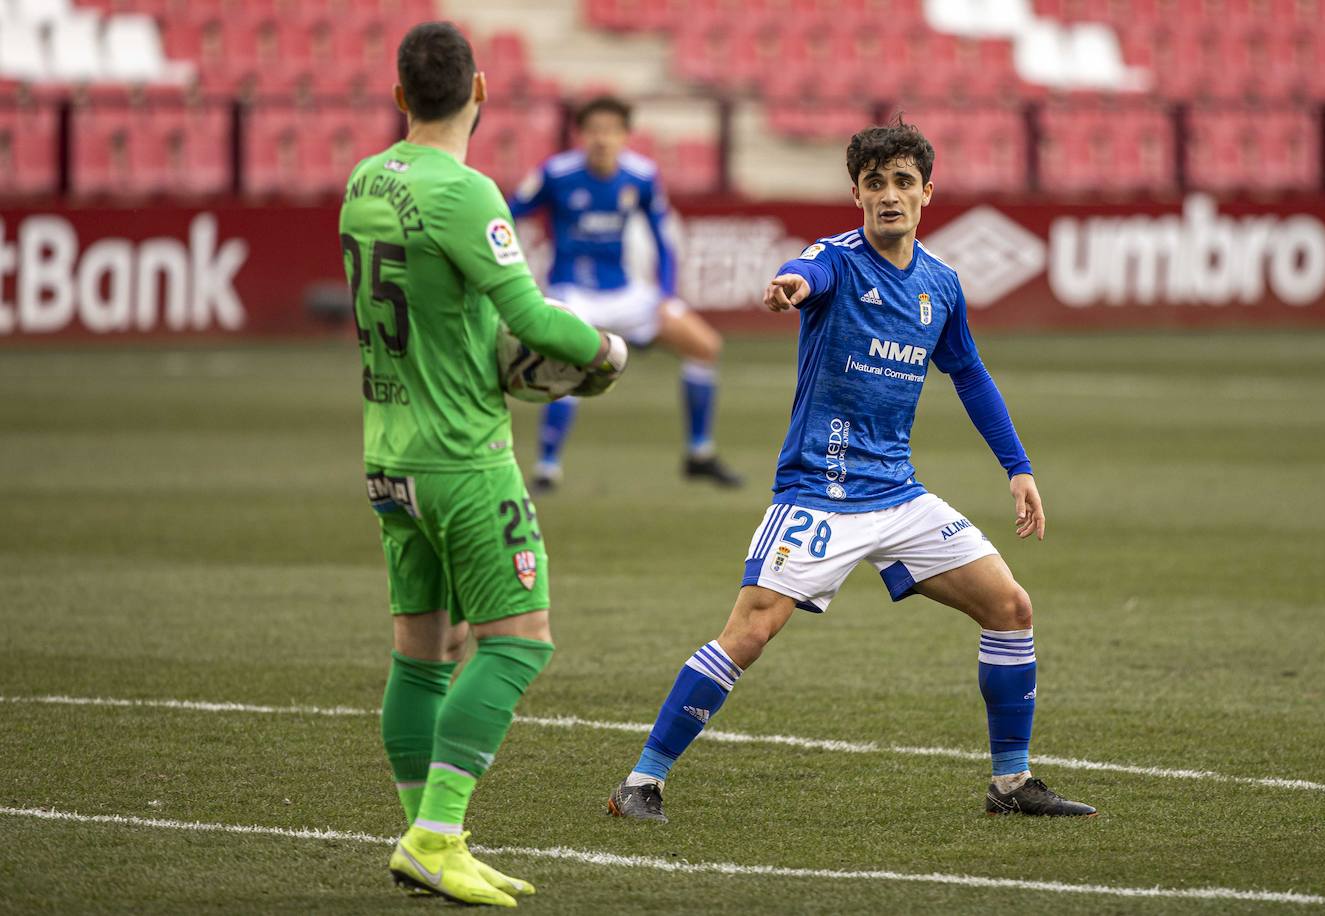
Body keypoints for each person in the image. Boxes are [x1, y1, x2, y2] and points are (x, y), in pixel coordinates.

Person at [607, 119, 1095, 824]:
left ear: (927, 191)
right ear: (857, 194)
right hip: (821, 491)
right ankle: (642, 782)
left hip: (897, 493)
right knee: (749, 631)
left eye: (902, 182)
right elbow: (809, 273)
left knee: (1011, 608)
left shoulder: (941, 285)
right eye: (875, 183)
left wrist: (1018, 468)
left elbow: (970, 374)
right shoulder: (834, 258)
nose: (889, 196)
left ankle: (1011, 785)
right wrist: (790, 288)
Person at [339, 21, 627, 906]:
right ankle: (435, 834)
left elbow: (435, 313)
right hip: (464, 458)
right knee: (517, 646)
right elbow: (536, 322)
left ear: (398, 97)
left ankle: (428, 836)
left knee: (422, 655)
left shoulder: (361, 181)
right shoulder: (466, 192)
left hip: (388, 454)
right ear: (481, 90)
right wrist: (608, 350)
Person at [509, 95, 742, 491]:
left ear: (625, 136)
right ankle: (548, 466)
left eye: (611, 130)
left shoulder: (641, 175)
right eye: (594, 130)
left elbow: (663, 240)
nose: (602, 139)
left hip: (625, 291)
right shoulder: (556, 173)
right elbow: (508, 213)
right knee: (568, 361)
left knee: (705, 345)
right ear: (581, 135)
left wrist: (666, 294)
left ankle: (699, 453)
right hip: (573, 290)